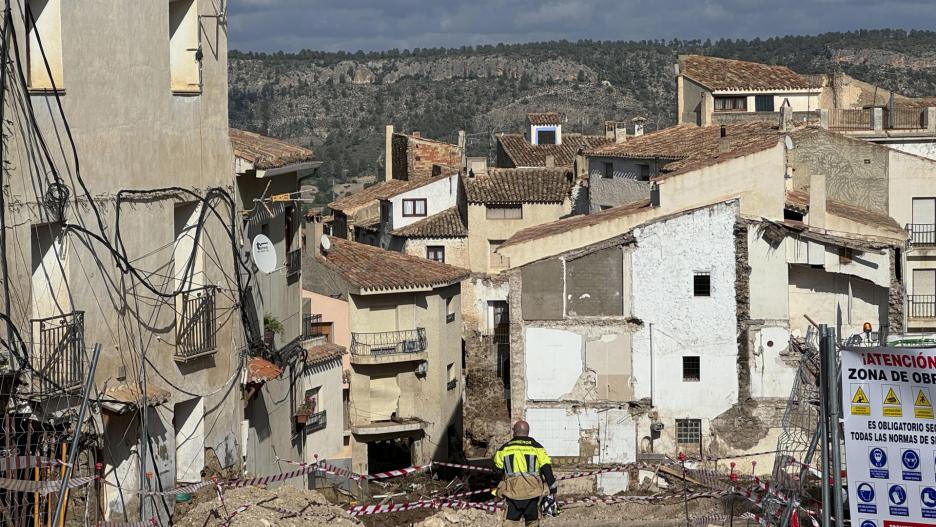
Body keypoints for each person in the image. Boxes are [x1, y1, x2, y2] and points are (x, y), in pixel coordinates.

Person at [492, 420, 557, 526]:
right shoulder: (537, 447)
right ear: (527, 432)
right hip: (532, 494)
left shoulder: (504, 449)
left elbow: (496, 472)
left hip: (512, 494)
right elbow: (547, 469)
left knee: (510, 523)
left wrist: (495, 489)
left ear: (515, 432)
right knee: (533, 522)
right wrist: (553, 488)